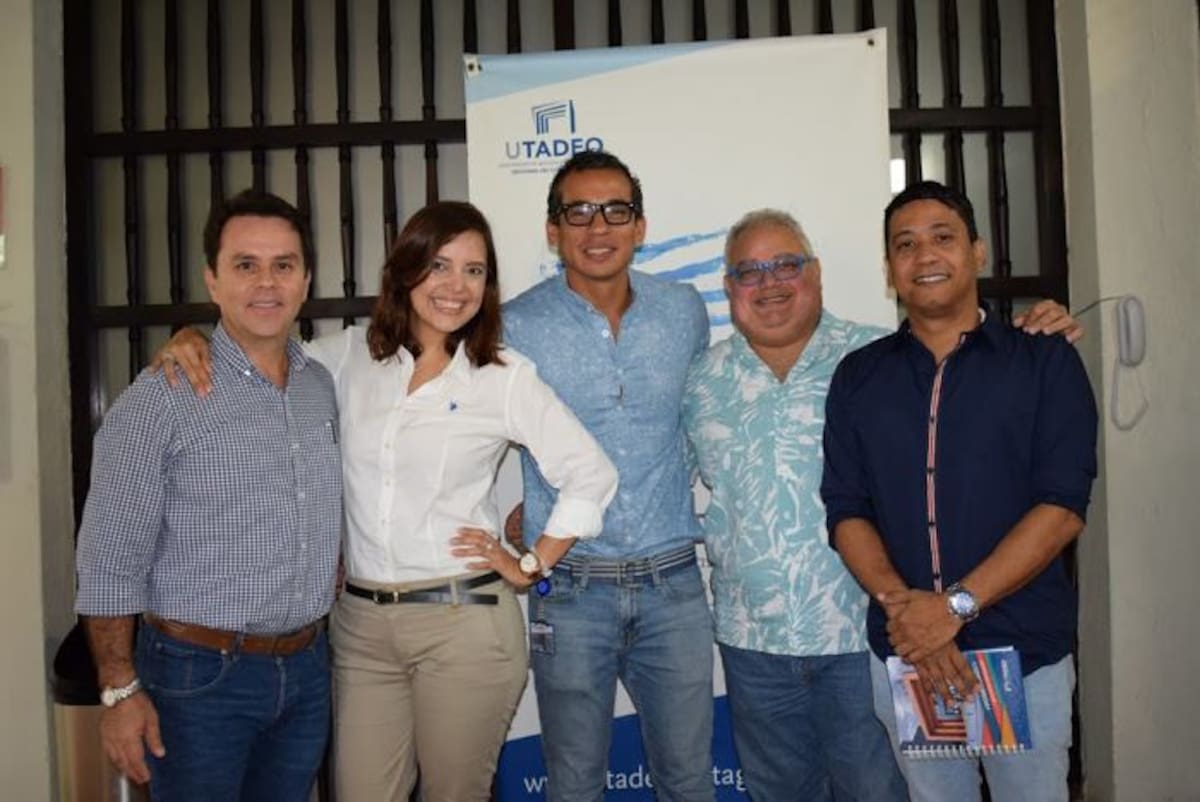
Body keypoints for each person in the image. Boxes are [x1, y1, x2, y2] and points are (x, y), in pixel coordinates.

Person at [153, 200, 617, 802]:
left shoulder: (502, 376)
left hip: (464, 626)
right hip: (362, 629)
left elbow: (592, 474)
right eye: (439, 266)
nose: (456, 287)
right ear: (405, 271)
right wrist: (191, 337)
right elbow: (255, 352)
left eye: (474, 271)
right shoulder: (346, 357)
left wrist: (529, 566)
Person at [683, 208, 1079, 802]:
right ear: (728, 288)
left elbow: (1059, 498)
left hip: (873, 644)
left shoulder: (872, 359)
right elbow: (658, 480)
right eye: (749, 271)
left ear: (815, 274)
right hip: (762, 645)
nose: (769, 282)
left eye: (786, 264)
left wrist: (936, 616)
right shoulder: (702, 380)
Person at [822, 181, 1098, 802]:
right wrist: (910, 615)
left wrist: (952, 610)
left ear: (977, 252)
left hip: (1020, 654)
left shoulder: (1043, 361)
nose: (925, 256)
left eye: (942, 238)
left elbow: (1061, 509)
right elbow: (846, 508)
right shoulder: (860, 377)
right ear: (890, 268)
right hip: (911, 655)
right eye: (905, 244)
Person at [75, 189, 343, 802]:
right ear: (213, 280)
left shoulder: (319, 385)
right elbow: (108, 559)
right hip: (198, 679)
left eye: (284, 265)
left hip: (305, 670)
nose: (266, 283)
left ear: (306, 279)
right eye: (245, 265)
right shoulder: (162, 394)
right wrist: (118, 690)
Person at [503, 150, 716, 801]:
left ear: (640, 226)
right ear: (553, 230)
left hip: (673, 586)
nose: (599, 228)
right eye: (580, 212)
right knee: (573, 786)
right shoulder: (514, 325)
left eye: (615, 211)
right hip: (570, 593)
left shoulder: (684, 311)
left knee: (688, 782)